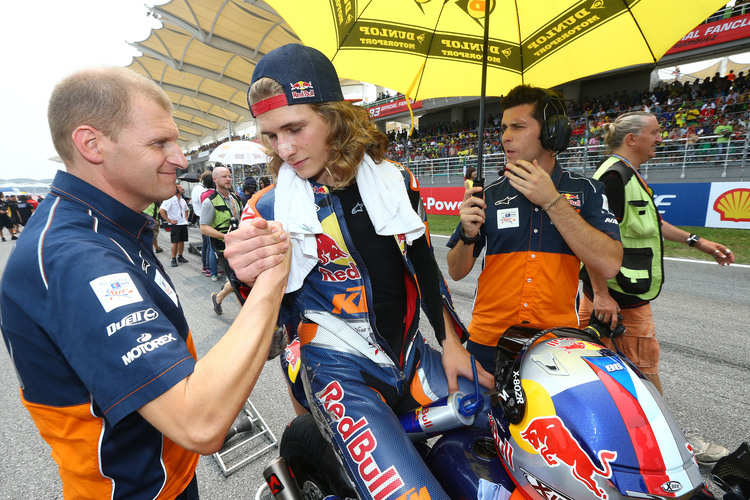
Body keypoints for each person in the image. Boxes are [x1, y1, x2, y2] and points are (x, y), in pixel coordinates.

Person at [0, 66, 291, 499]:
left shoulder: (107, 227)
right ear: (91, 144)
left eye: (175, 140)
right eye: (160, 143)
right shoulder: (75, 258)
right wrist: (272, 276)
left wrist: (247, 281)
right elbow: (199, 420)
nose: (179, 157)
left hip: (166, 478)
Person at [224, 43, 493, 500]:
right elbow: (265, 335)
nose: (283, 149)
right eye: (270, 135)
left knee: (517, 431)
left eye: (294, 127)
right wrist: (246, 277)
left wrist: (450, 342)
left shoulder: (395, 179)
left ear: (334, 116)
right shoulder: (265, 210)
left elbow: (425, 265)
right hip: (340, 376)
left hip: (410, 356)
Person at [578, 110, 734, 464]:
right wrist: (602, 295)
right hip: (620, 297)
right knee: (643, 369)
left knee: (608, 369)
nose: (660, 138)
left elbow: (653, 222)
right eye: (655, 132)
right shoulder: (614, 177)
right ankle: (675, 445)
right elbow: (590, 239)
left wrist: (699, 242)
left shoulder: (628, 174)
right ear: (631, 139)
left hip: (618, 294)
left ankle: (629, 439)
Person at [446, 85, 623, 372]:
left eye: (518, 126)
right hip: (488, 341)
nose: (505, 136)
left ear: (553, 132)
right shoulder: (487, 194)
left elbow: (610, 263)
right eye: (503, 127)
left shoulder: (588, 190)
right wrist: (468, 235)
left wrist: (551, 200)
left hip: (555, 344)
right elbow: (456, 271)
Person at [200, 166, 243, 313]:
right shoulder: (209, 202)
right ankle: (246, 312)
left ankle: (218, 298)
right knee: (237, 279)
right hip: (223, 248)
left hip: (240, 244)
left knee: (240, 277)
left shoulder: (235, 198)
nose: (228, 179)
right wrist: (225, 236)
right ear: (215, 179)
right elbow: (204, 227)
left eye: (229, 176)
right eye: (224, 176)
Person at [160, 184, 190, 267]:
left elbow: (187, 209)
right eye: (180, 187)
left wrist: (186, 218)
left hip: (183, 223)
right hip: (175, 224)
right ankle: (173, 259)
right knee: (175, 242)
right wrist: (169, 220)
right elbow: (161, 210)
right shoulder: (170, 199)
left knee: (182, 241)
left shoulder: (183, 200)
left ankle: (180, 256)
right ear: (175, 190)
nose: (182, 188)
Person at [192, 171, 212, 275]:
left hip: (200, 217)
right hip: (204, 218)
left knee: (205, 243)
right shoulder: (203, 191)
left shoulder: (197, 189)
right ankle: (208, 267)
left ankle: (205, 266)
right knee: (209, 244)